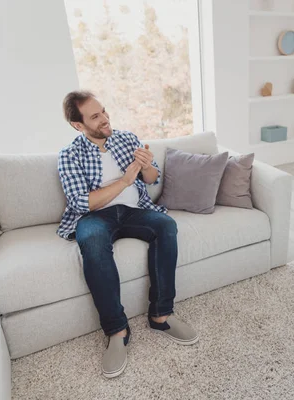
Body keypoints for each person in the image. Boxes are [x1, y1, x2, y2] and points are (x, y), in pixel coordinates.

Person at [57, 90, 198, 379]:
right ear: (78, 125)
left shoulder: (127, 138)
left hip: (135, 209)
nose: (105, 119)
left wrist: (146, 166)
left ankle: (161, 315)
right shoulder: (69, 155)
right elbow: (82, 203)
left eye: (104, 111)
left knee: (166, 225)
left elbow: (152, 178)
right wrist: (123, 180)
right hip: (95, 216)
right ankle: (117, 331)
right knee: (92, 241)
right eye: (95, 116)